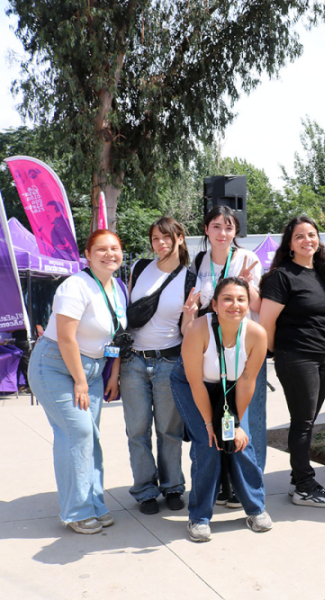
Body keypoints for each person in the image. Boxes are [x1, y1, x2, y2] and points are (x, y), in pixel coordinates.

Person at [29, 230, 126, 534]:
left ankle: (94, 502)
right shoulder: (75, 286)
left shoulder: (117, 288)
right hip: (56, 366)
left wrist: (113, 373)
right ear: (87, 254)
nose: (109, 254)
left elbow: (116, 335)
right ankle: (76, 511)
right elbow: (67, 338)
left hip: (94, 370)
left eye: (115, 248)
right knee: (77, 433)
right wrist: (81, 382)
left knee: (90, 436)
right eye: (101, 249)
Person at [170, 278, 272, 542]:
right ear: (214, 304)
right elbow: (194, 381)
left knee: (239, 443)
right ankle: (199, 517)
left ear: (249, 305)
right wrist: (208, 425)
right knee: (208, 444)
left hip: (231, 389)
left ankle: (255, 508)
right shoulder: (197, 329)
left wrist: (235, 425)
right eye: (227, 299)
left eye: (241, 299)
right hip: (195, 384)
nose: (234, 305)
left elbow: (247, 381)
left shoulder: (256, 334)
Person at [259, 216, 325, 508]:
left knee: (306, 420)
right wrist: (273, 353)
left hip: (322, 357)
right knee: (303, 422)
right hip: (295, 356)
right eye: (299, 236)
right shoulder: (282, 276)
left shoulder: (321, 275)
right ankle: (305, 485)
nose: (308, 240)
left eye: (312, 235)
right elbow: (266, 322)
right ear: (290, 245)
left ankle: (298, 479)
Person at [120, 217, 200, 515]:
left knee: (169, 429)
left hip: (169, 360)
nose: (160, 243)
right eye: (155, 238)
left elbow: (187, 332)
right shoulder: (140, 268)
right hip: (133, 361)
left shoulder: (190, 279)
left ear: (180, 238)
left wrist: (191, 316)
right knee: (137, 429)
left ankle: (173, 487)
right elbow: (125, 316)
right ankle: (145, 490)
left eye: (167, 237)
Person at [193, 206, 265, 507]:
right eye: (216, 226)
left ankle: (247, 486)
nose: (223, 233)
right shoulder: (200, 260)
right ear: (207, 230)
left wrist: (246, 283)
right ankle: (223, 486)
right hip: (212, 352)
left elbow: (258, 304)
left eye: (229, 227)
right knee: (221, 421)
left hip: (242, 351)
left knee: (246, 420)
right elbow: (199, 304)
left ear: (236, 232)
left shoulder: (248, 259)